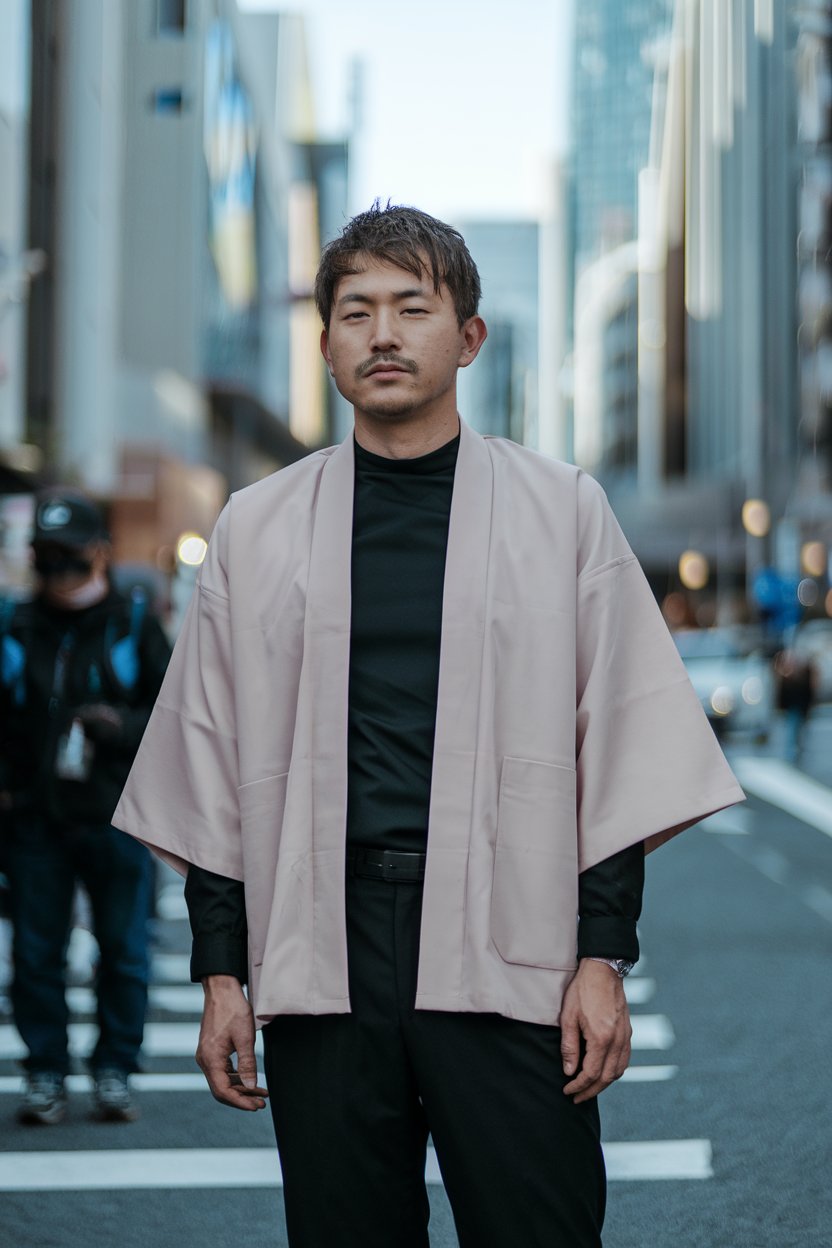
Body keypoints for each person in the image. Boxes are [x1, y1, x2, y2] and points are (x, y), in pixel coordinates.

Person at [114, 204, 744, 1246]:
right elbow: (210, 762)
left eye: (413, 306)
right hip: (325, 946)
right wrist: (223, 977)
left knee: (537, 1224)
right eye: (354, 311)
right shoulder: (257, 527)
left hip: (515, 932)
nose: (383, 334)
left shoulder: (561, 510)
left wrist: (600, 960)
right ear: (323, 346)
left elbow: (619, 750)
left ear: (469, 336)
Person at [0, 489, 171, 1125]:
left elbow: (177, 711)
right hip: (33, 820)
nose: (55, 567)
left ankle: (114, 1070)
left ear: (99, 552)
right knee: (36, 954)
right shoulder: (13, 622)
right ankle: (46, 1070)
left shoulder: (133, 623)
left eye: (67, 554)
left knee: (123, 949)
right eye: (44, 554)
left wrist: (119, 726)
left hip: (120, 816)